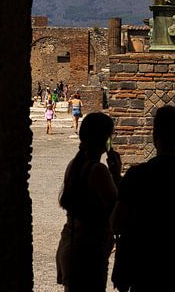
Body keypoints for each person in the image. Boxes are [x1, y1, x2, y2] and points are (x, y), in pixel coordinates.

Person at [111, 105, 175, 292]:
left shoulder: (137, 176)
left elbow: (118, 224)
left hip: (145, 271)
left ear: (154, 135)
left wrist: (117, 181)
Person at [56, 112, 121, 292]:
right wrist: (117, 175)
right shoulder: (98, 171)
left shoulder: (74, 164)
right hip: (88, 252)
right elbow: (117, 211)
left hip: (72, 246)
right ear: (104, 138)